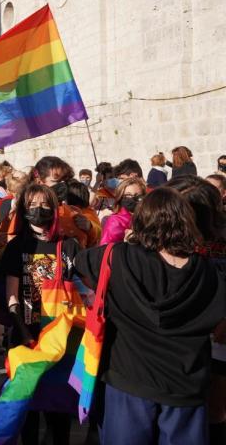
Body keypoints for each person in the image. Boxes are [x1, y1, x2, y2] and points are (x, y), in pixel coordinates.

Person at [72, 188, 226, 444]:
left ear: (142, 220)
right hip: (185, 386)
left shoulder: (116, 256)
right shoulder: (207, 272)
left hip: (127, 381)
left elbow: (78, 265)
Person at [2, 183, 79, 445]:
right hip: (27, 336)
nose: (39, 209)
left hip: (60, 338)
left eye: (45, 204)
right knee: (29, 408)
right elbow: (11, 295)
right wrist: (22, 332)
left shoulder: (69, 246)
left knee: (59, 409)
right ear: (24, 209)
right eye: (33, 204)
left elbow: (82, 289)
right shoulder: (17, 246)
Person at [165, 175, 226, 442]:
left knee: (214, 409)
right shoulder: (164, 236)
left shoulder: (220, 237)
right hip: (177, 341)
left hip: (217, 340)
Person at [100, 178, 146, 245]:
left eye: (137, 196)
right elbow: (107, 248)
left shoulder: (148, 217)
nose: (132, 198)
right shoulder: (115, 221)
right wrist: (127, 244)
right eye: (128, 195)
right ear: (120, 197)